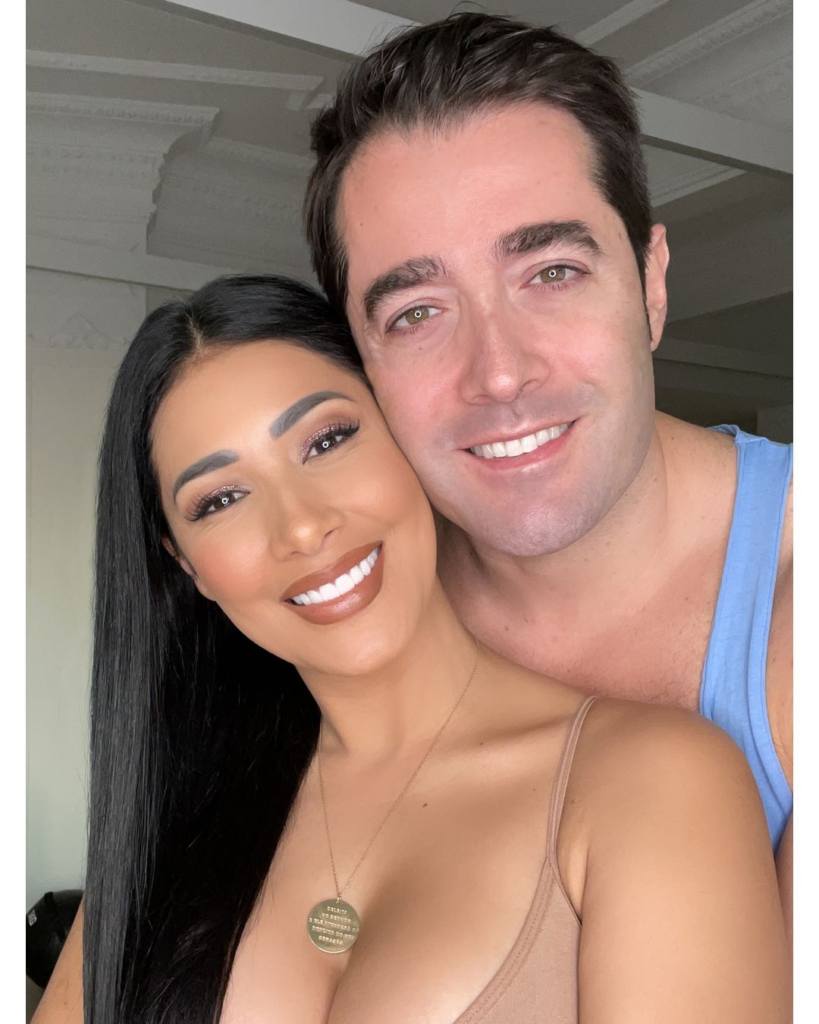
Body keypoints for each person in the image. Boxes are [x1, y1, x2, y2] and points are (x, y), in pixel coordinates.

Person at [34, 275, 788, 1023]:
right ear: (185, 563)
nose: (302, 527)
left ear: (403, 435)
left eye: (326, 440)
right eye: (221, 499)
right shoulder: (170, 822)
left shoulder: (652, 778)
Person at [303, 11, 793, 925]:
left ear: (650, 283)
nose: (498, 373)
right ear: (362, 359)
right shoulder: (346, 614)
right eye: (415, 313)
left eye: (552, 272)